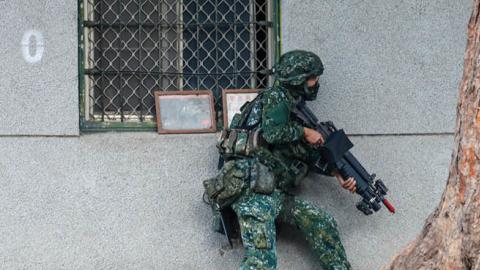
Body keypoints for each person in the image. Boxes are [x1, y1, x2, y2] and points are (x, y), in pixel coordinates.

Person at [203, 50, 355, 270]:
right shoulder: (276, 97)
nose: (316, 83)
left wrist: (338, 174)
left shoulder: (289, 109)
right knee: (262, 262)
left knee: (322, 223)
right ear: (298, 79)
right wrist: (305, 132)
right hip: (252, 190)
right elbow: (273, 133)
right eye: (313, 78)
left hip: (273, 192)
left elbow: (300, 154)